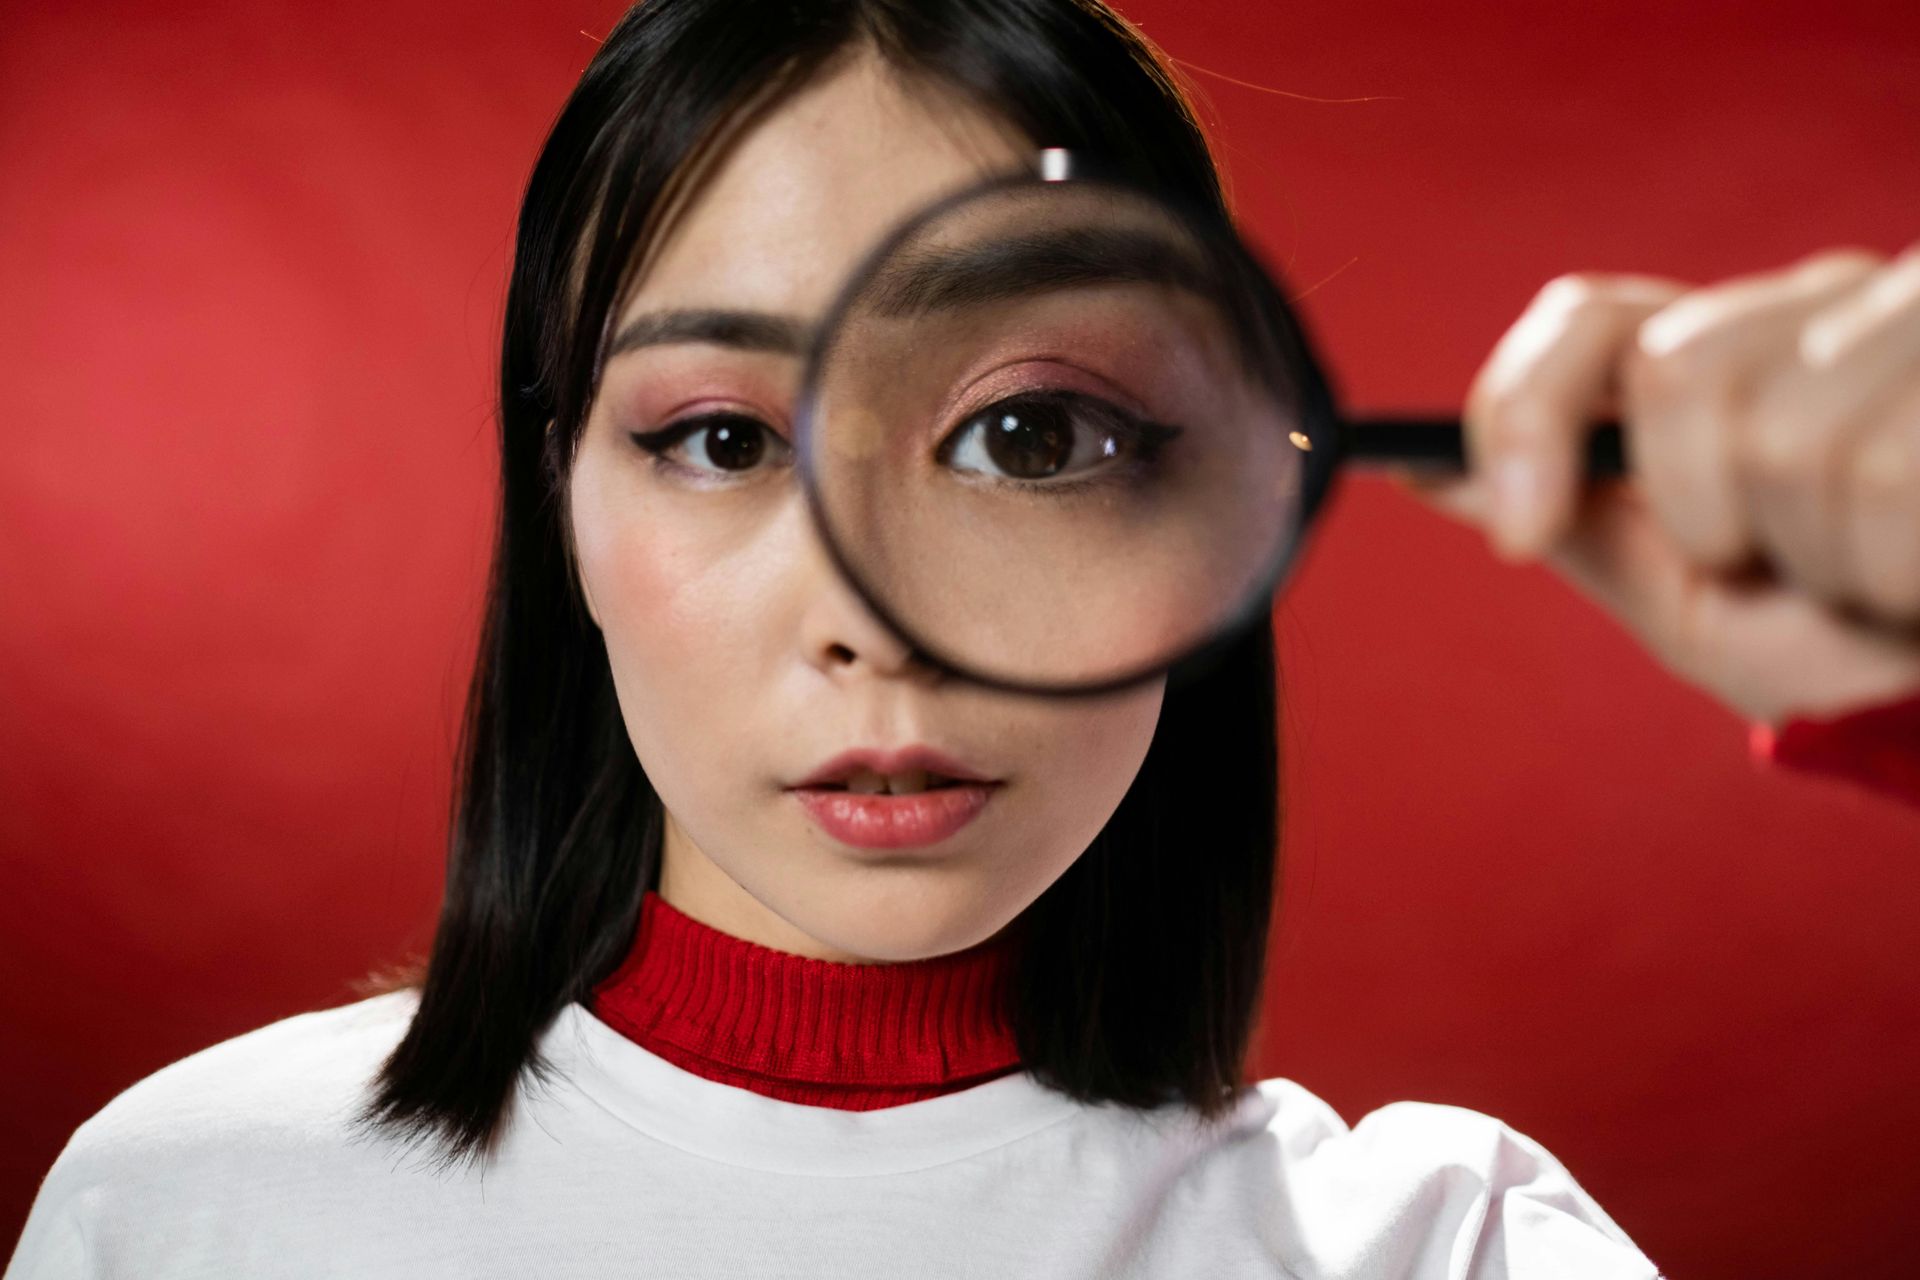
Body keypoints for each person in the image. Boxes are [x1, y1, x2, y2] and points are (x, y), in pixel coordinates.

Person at [8, 1, 1916, 1276]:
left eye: (1032, 433)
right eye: (722, 438)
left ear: (1217, 497)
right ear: (562, 512)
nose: (871, 626)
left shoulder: (1443, 1251)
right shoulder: (189, 1215)